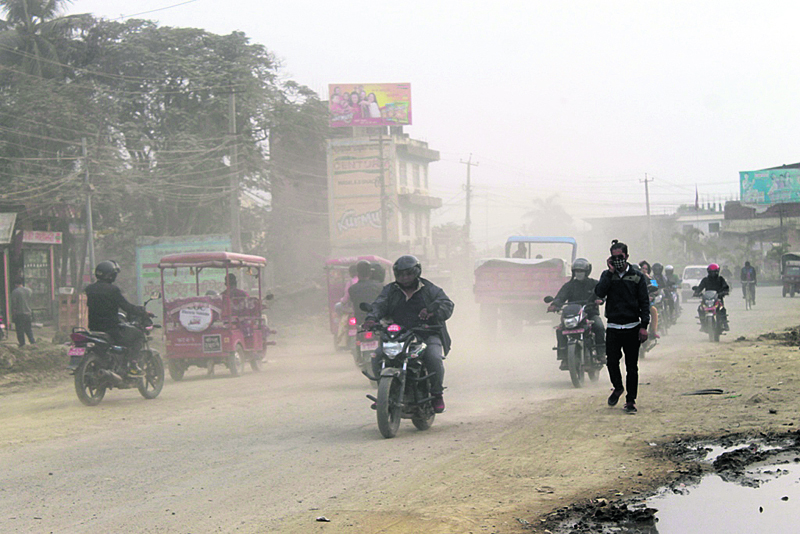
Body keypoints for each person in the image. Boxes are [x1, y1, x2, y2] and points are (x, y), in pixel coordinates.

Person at [363, 255, 454, 413]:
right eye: (400, 274)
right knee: (377, 355)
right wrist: (371, 319)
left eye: (408, 274)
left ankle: (437, 394)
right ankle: (384, 395)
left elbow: (447, 304)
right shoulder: (390, 290)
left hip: (427, 333)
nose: (405, 278)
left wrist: (433, 311)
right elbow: (379, 305)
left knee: (433, 357)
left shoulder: (430, 289)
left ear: (417, 272)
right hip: (399, 334)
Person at [594, 240, 651, 414]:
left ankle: (631, 401)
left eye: (621, 256)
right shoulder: (607, 275)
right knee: (611, 362)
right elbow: (599, 293)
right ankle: (618, 388)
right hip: (613, 327)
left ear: (627, 256)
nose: (618, 260)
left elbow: (644, 302)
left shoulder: (637, 276)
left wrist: (644, 326)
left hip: (633, 327)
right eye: (614, 257)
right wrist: (610, 273)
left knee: (632, 366)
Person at [84, 261, 148, 376]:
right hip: (111, 329)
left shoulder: (89, 289)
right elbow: (127, 307)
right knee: (138, 335)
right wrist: (141, 311)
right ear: (110, 275)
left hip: (94, 328)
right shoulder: (113, 290)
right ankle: (133, 365)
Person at [547, 258, 605, 368]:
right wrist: (555, 305)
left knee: (599, 326)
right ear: (573, 272)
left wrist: (600, 299)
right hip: (573, 316)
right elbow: (561, 297)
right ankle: (564, 358)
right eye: (577, 271)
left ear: (587, 272)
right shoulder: (569, 286)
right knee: (560, 330)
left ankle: (601, 353)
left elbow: (601, 294)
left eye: (581, 271)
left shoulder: (594, 284)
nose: (579, 273)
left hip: (590, 314)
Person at [694, 263, 730, 331]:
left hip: (718, 299)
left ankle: (725, 323)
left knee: (722, 309)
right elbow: (700, 287)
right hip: (707, 299)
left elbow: (725, 287)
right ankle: (703, 325)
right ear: (709, 272)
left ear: (717, 271)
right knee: (700, 309)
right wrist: (697, 292)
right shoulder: (705, 280)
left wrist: (724, 292)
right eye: (711, 272)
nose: (713, 273)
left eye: (715, 272)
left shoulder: (720, 279)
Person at [348, 261, 383, 325]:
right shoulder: (380, 286)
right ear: (370, 274)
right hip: (376, 320)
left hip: (360, 321)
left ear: (358, 274)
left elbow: (353, 302)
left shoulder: (352, 289)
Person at [9, 279, 35, 347]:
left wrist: (13, 314)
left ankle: (22, 344)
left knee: (20, 330)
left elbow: (14, 304)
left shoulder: (15, 292)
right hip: (28, 313)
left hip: (19, 314)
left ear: (15, 284)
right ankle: (32, 342)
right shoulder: (29, 291)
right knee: (28, 329)